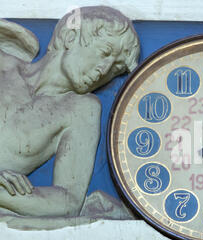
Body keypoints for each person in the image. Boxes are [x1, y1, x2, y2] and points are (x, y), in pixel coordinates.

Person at [0, 6, 140, 219]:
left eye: (116, 69)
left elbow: (68, 200)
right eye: (104, 53)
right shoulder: (4, 65)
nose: (104, 70)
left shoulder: (80, 110)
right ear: (70, 36)